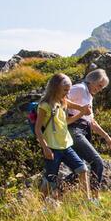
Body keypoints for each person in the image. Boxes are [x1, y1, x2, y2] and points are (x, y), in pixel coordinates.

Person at [34, 73, 92, 203]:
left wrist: (82, 110)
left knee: (82, 169)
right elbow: (38, 129)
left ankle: (86, 201)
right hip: (52, 148)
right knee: (50, 180)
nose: (67, 92)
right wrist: (45, 148)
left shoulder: (62, 101)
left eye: (69, 89)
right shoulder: (45, 105)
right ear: (55, 88)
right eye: (65, 89)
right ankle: (39, 204)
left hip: (66, 145)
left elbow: (67, 119)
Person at [66, 68, 111, 201]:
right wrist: (79, 110)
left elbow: (91, 122)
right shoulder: (79, 89)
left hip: (83, 131)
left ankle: (58, 193)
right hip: (73, 130)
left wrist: (107, 137)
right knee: (97, 162)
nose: (100, 89)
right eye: (99, 85)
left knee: (80, 167)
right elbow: (61, 100)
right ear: (91, 80)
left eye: (103, 87)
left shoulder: (89, 95)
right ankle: (94, 199)